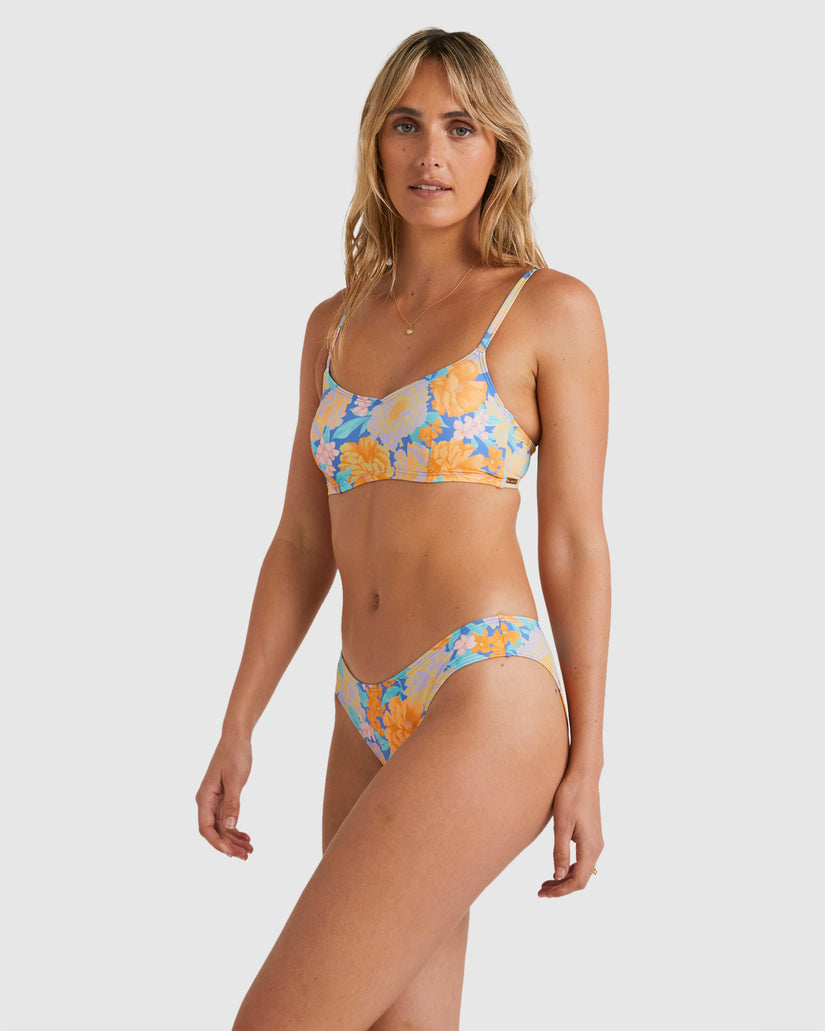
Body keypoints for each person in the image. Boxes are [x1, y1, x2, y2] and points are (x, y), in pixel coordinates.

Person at [196, 26, 610, 1031]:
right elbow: (301, 541)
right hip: (361, 708)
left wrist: (589, 761)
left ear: (497, 148)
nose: (432, 154)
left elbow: (573, 543)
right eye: (406, 125)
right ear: (374, 145)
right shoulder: (333, 324)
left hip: (486, 691)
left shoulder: (548, 309)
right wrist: (239, 721)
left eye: (460, 127)